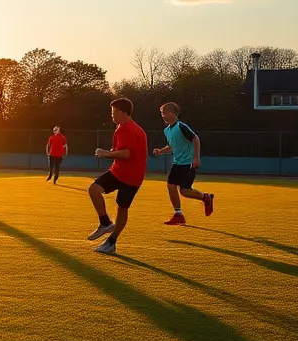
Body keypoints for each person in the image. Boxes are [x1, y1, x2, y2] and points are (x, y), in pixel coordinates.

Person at [88, 98, 148, 255]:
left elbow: (126, 154)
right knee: (121, 208)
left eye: (114, 112)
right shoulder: (135, 128)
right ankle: (109, 233)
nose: (112, 116)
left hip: (124, 173)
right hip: (134, 175)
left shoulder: (125, 129)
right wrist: (111, 152)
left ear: (123, 112)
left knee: (95, 190)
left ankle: (107, 228)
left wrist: (105, 153)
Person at [153, 102, 215, 224]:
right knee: (171, 186)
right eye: (161, 113)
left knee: (184, 191)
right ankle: (178, 214)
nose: (162, 116)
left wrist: (196, 158)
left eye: (164, 113)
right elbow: (171, 146)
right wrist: (161, 151)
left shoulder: (181, 126)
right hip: (177, 163)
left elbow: (195, 138)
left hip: (187, 163)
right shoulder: (167, 130)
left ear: (172, 113)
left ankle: (206, 197)